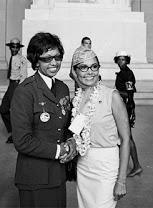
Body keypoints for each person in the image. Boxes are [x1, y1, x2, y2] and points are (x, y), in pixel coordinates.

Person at [10, 32, 76, 208]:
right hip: (34, 178)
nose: (54, 63)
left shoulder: (62, 88)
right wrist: (58, 150)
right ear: (36, 61)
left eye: (57, 57)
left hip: (57, 175)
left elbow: (65, 125)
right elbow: (22, 141)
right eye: (47, 59)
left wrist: (71, 141)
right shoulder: (25, 91)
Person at [69, 47, 130, 207]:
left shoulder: (112, 96)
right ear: (75, 71)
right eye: (83, 67)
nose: (90, 72)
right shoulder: (77, 98)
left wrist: (121, 180)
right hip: (83, 165)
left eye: (94, 66)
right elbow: (75, 132)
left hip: (106, 166)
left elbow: (126, 140)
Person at [114, 50, 143, 177]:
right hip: (123, 106)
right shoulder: (122, 73)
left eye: (123, 59)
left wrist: (114, 92)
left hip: (127, 107)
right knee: (124, 136)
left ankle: (136, 166)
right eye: (119, 59)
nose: (121, 62)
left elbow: (129, 94)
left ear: (127, 60)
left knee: (128, 137)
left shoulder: (127, 74)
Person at [0, 38, 27, 143]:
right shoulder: (12, 57)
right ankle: (12, 130)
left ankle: (16, 134)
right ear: (10, 48)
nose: (14, 49)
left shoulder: (22, 59)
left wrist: (19, 90)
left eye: (16, 47)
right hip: (11, 85)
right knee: (3, 109)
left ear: (19, 48)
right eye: (12, 47)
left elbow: (23, 75)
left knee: (15, 110)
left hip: (16, 85)